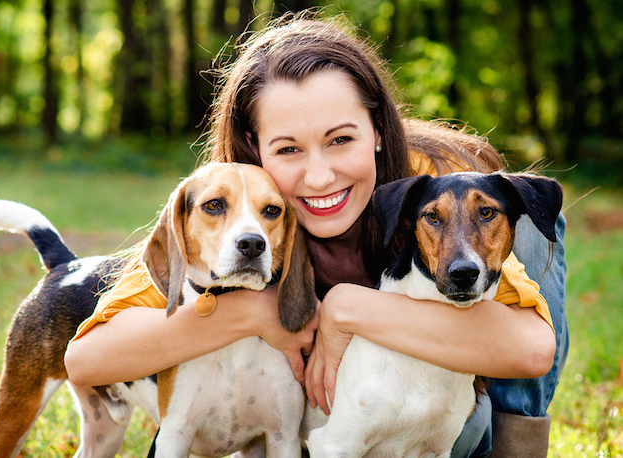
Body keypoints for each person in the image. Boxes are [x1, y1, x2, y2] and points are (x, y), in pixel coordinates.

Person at [65, 12, 567, 457]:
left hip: (438, 415)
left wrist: (346, 311)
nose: (321, 176)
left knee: (525, 228)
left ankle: (516, 445)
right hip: (327, 422)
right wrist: (256, 311)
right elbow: (87, 360)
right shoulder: (233, 212)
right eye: (288, 150)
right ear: (252, 150)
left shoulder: (432, 191)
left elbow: (530, 349)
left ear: (376, 131)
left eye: (341, 139)